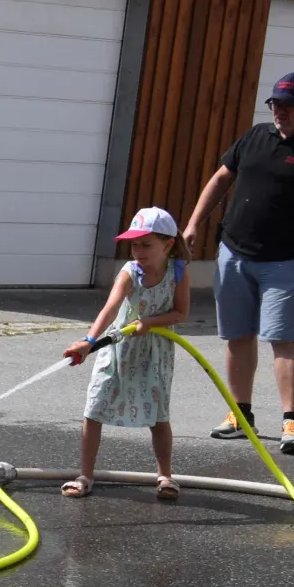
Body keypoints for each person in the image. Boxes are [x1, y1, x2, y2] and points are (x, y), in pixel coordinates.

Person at [182, 71, 294, 455]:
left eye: (290, 105)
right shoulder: (254, 136)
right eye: (276, 104)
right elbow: (221, 179)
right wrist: (192, 225)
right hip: (235, 253)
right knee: (237, 335)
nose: (281, 112)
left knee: (284, 339)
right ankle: (239, 414)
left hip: (287, 261)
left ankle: (292, 421)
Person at [60, 208, 192, 499]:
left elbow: (181, 312)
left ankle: (165, 476)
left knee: (158, 414)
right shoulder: (130, 272)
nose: (138, 251)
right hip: (118, 347)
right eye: (134, 244)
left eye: (146, 244)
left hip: (155, 352)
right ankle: (85, 475)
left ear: (167, 244)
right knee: (95, 407)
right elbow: (110, 307)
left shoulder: (178, 270)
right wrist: (88, 341)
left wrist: (150, 323)